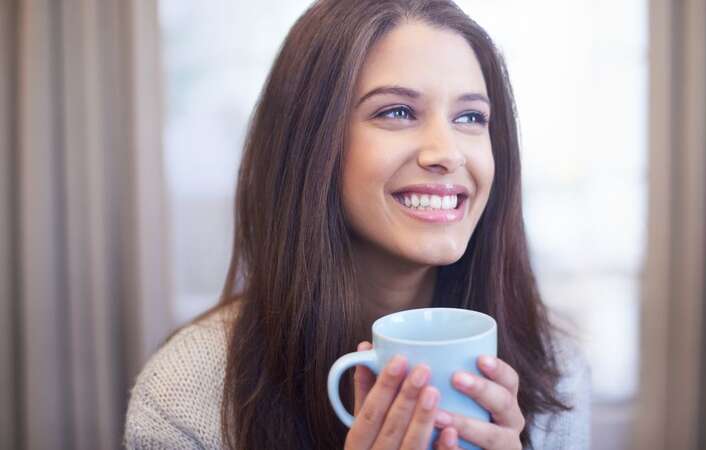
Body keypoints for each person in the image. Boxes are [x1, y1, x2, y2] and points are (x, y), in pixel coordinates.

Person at [124, 0, 591, 449]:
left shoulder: (556, 370)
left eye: (470, 117)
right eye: (397, 112)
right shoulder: (184, 397)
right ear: (311, 145)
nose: (447, 153)